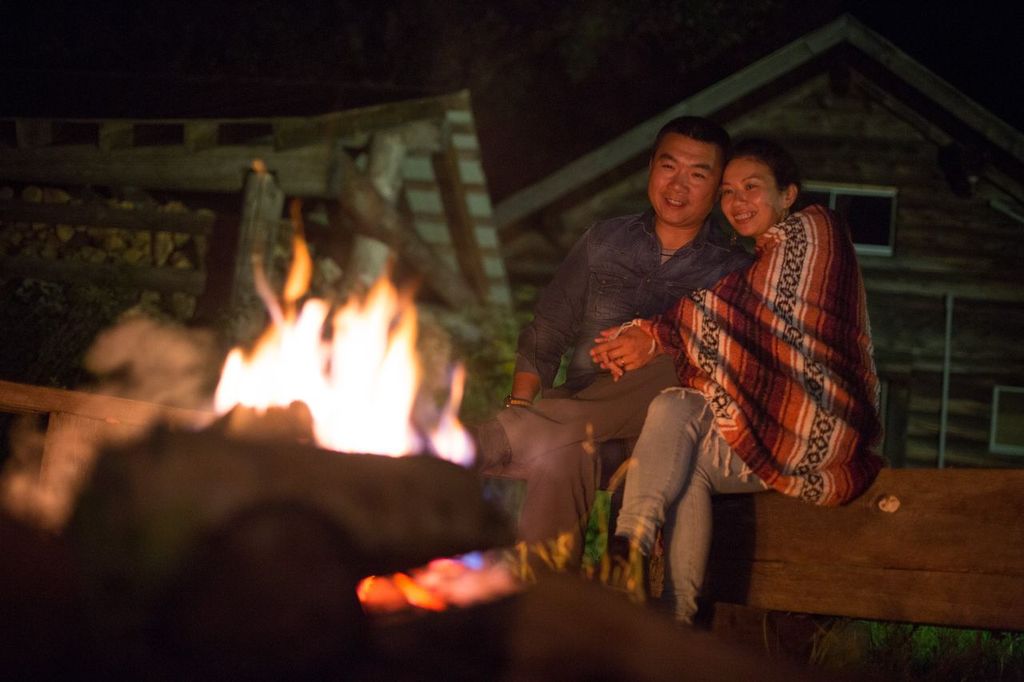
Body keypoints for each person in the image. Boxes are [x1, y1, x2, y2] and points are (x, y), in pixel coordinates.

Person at [596, 138, 883, 623]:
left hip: (822, 427)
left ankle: (636, 566)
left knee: (678, 421)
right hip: (767, 433)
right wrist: (653, 334)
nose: (737, 202)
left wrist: (655, 332)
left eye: (752, 188)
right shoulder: (762, 261)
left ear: (788, 193)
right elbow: (736, 316)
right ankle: (652, 581)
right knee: (678, 423)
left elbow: (742, 311)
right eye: (727, 192)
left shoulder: (818, 234)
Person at [477, 117, 752, 565]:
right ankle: (545, 600)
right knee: (565, 453)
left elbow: (732, 362)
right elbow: (547, 329)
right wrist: (521, 404)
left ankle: (499, 437)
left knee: (672, 367)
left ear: (718, 187)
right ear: (650, 167)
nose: (678, 185)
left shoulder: (733, 270)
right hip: (581, 417)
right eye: (669, 166)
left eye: (698, 174)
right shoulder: (604, 240)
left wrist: (660, 342)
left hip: (662, 429)